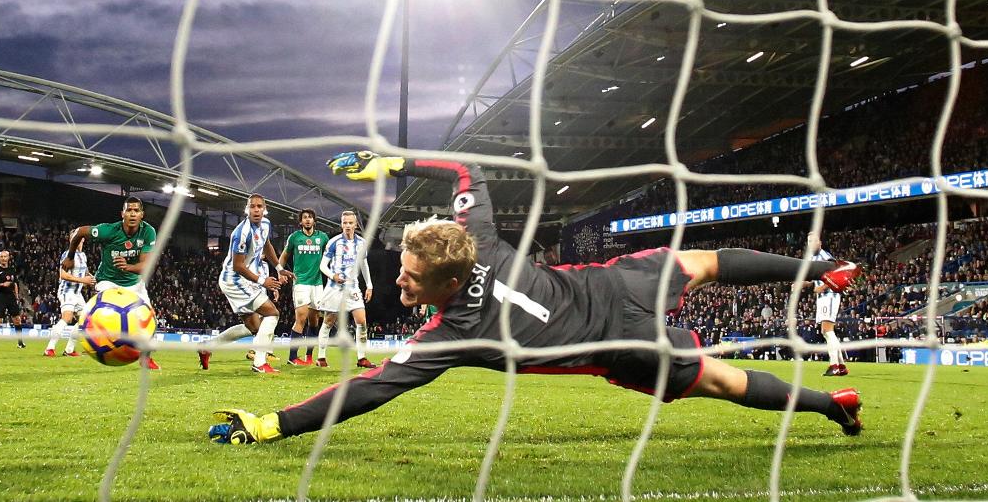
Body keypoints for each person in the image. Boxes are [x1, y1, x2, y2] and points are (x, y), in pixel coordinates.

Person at [209, 152, 864, 446]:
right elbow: (468, 171)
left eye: (410, 277)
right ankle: (819, 268)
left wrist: (274, 424)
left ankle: (828, 403)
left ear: (443, 283)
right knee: (707, 261)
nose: (399, 283)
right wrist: (395, 163)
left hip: (625, 346)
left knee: (723, 378)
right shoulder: (479, 238)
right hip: (617, 284)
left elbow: (369, 390)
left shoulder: (452, 334)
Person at [200, 193, 292, 373]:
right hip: (234, 280)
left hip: (244, 280)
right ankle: (259, 363)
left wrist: (279, 268)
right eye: (252, 206)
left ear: (264, 209)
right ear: (246, 209)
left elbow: (267, 245)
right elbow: (238, 266)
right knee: (272, 313)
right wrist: (262, 281)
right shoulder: (241, 233)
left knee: (253, 327)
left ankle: (207, 346)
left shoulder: (265, 224)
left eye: (259, 206)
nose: (256, 210)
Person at [65, 195, 161, 370]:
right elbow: (80, 231)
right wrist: (70, 257)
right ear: (122, 214)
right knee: (94, 318)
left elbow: (146, 266)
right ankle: (87, 346)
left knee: (149, 319)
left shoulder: (148, 232)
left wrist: (128, 267)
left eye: (136, 210)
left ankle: (145, 358)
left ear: (142, 215)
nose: (132, 214)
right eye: (129, 210)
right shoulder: (108, 231)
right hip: (107, 281)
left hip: (134, 283)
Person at [315, 210, 375, 368]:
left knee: (362, 321)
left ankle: (362, 358)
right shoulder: (334, 242)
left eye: (350, 223)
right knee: (328, 321)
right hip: (335, 288)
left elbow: (364, 265)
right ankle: (321, 357)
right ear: (341, 224)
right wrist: (333, 275)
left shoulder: (362, 243)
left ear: (356, 225)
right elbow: (322, 265)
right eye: (345, 223)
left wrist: (369, 285)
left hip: (353, 287)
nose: (348, 225)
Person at [278, 208, 328, 366]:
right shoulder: (295, 237)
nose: (307, 220)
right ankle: (292, 357)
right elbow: (284, 256)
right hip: (300, 283)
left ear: (314, 221)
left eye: (310, 217)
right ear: (300, 221)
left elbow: (330, 254)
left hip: (317, 283)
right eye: (305, 218)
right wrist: (280, 271)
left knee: (314, 321)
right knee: (301, 317)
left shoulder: (323, 237)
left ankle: (308, 356)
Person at [44, 241, 94, 357]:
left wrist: (92, 279)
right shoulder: (68, 255)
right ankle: (49, 348)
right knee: (67, 318)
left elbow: (85, 271)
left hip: (77, 293)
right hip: (67, 291)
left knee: (85, 320)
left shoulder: (83, 255)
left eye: (79, 239)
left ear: (82, 240)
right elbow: (63, 275)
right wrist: (83, 281)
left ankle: (69, 350)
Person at [810, 237, 846, 376]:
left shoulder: (825, 257)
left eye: (813, 241)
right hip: (823, 298)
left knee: (827, 330)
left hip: (829, 295)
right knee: (827, 332)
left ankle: (834, 365)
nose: (811, 244)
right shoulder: (813, 258)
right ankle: (841, 365)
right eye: (809, 241)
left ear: (819, 242)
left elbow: (836, 275)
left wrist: (823, 287)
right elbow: (815, 280)